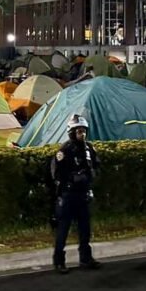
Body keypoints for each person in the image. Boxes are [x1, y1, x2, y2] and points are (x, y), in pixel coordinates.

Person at [50, 114, 101, 274]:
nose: (82, 134)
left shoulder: (89, 149)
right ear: (72, 132)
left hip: (83, 195)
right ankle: (59, 261)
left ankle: (86, 258)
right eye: (79, 131)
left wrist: (90, 176)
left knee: (85, 229)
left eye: (84, 131)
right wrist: (72, 178)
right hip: (68, 195)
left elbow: (96, 165)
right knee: (63, 230)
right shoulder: (65, 150)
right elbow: (56, 173)